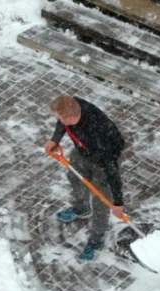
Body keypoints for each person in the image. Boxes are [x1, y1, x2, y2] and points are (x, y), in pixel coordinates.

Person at [44, 95, 126, 262]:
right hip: (83, 151)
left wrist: (118, 202)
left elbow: (112, 172)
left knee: (101, 200)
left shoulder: (100, 133)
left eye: (60, 118)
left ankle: (96, 239)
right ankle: (81, 208)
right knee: (74, 178)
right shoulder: (73, 105)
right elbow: (62, 123)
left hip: (104, 159)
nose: (58, 120)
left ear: (70, 118)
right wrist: (55, 140)